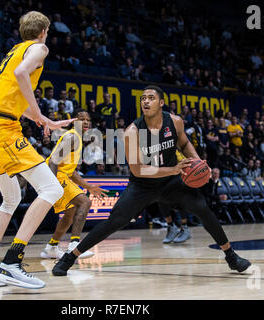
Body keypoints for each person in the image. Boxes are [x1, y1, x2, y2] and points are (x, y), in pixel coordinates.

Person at [52, 85, 251, 276]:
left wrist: (198, 162)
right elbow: (138, 171)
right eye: (142, 99)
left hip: (172, 183)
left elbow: (184, 143)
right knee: (114, 222)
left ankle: (231, 256)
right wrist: (172, 169)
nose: (145, 101)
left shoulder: (175, 122)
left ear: (161, 103)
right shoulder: (132, 132)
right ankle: (70, 258)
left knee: (203, 209)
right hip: (143, 186)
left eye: (151, 98)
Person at [0, 11, 76, 290]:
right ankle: (12, 262)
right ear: (44, 32)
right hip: (2, 128)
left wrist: (42, 120)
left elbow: (16, 89)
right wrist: (40, 111)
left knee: (10, 198)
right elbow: (21, 74)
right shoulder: (39, 48)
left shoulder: (14, 50)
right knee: (52, 189)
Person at [40, 109, 108, 259]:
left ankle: (51, 247)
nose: (86, 122)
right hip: (55, 175)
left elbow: (72, 172)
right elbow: (52, 161)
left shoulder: (77, 139)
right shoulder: (72, 137)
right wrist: (51, 185)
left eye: (88, 119)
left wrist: (89, 186)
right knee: (85, 202)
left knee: (70, 213)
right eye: (81, 119)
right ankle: (74, 245)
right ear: (73, 122)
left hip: (61, 175)